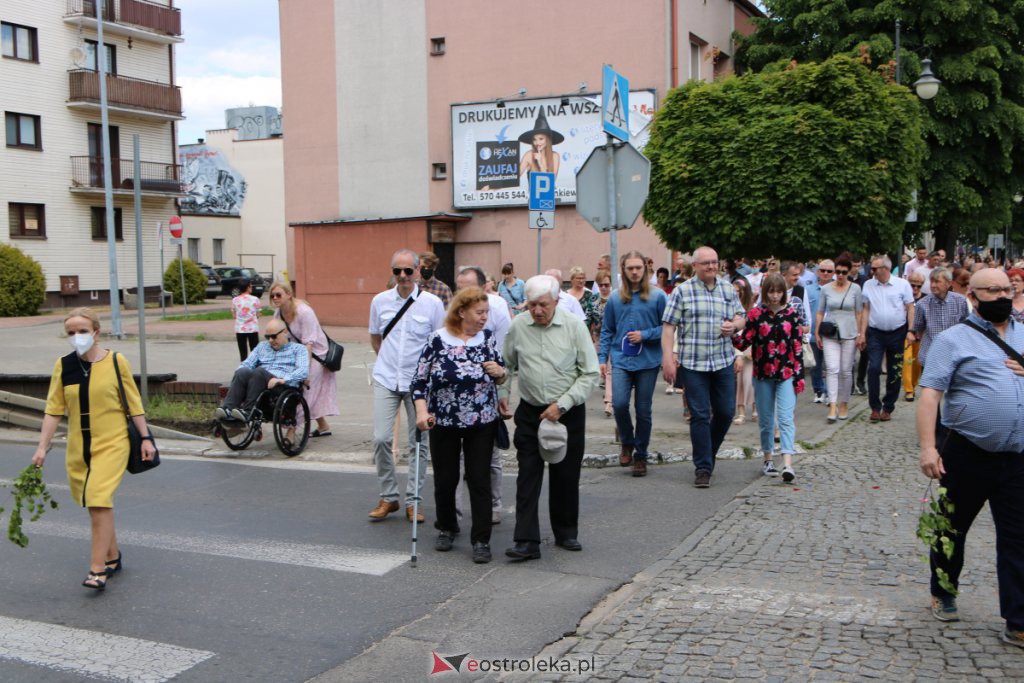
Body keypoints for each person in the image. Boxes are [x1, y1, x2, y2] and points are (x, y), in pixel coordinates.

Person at [917, 268, 1024, 648]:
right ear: (973, 297)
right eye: (993, 290)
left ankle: (1018, 618)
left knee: (1018, 537)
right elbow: (929, 393)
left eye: (1006, 289)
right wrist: (929, 447)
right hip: (967, 451)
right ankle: (943, 590)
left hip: (1017, 455)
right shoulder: (953, 339)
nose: (1002, 296)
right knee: (952, 527)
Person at [34, 308, 157, 590]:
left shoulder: (116, 362)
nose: (77, 337)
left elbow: (134, 404)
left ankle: (97, 569)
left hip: (113, 443)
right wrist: (42, 447)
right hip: (79, 447)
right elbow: (53, 411)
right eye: (71, 332)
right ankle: (112, 556)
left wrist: (146, 438)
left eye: (83, 331)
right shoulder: (64, 366)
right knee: (93, 504)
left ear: (96, 332)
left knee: (99, 498)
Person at [500, 275, 600, 561]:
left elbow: (590, 373)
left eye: (543, 305)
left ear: (556, 301)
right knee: (527, 475)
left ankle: (566, 531)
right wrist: (503, 392)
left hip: (566, 411)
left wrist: (564, 404)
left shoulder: (573, 327)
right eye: (531, 305)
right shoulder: (519, 326)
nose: (537, 311)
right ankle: (526, 540)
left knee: (565, 474)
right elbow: (507, 363)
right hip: (531, 411)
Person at [412, 287, 507, 564]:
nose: (484, 318)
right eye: (479, 313)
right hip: (443, 420)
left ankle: (481, 539)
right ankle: (447, 526)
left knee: (478, 479)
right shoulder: (437, 340)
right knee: (446, 479)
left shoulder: (487, 339)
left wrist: (499, 373)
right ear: (461, 311)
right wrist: (421, 412)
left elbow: (501, 374)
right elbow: (418, 382)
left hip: (481, 420)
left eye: (486, 313)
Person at [368, 249, 446, 522]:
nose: (402, 276)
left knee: (419, 443)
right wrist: (388, 362)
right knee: (380, 439)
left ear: (417, 271)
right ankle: (389, 496)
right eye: (397, 271)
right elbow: (376, 338)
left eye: (407, 271)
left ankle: (414, 500)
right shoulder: (379, 301)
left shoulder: (432, 303)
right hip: (387, 377)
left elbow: (439, 344)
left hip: (419, 383)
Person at [661, 246, 745, 488]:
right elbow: (668, 327)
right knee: (699, 415)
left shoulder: (728, 289)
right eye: (706, 263)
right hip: (693, 363)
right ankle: (703, 468)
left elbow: (742, 316)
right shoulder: (682, 292)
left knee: (726, 412)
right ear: (695, 266)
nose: (711, 266)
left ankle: (707, 452)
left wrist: (735, 326)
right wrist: (668, 359)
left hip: (722, 361)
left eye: (714, 262)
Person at [598, 252, 668, 477]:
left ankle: (641, 455)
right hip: (621, 359)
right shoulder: (615, 299)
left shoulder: (657, 297)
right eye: (631, 268)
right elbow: (607, 330)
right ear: (624, 270)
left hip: (648, 361)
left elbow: (667, 328)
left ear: (645, 269)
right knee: (618, 404)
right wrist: (602, 359)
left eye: (639, 268)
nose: (635, 272)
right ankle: (627, 442)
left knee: (643, 410)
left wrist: (645, 334)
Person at [733, 273, 805, 482]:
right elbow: (743, 342)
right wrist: (729, 333)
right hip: (763, 373)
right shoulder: (756, 315)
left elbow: (797, 348)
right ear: (765, 292)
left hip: (786, 373)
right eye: (771, 292)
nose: (775, 296)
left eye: (778, 291)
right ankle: (767, 458)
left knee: (785, 418)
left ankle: (788, 463)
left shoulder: (791, 314)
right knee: (766, 420)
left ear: (784, 293)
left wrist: (799, 377)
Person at [454, 266, 512, 525]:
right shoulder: (453, 310)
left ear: (484, 286)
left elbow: (504, 352)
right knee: (456, 462)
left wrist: (503, 391)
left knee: (491, 456)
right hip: (455, 399)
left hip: (488, 391)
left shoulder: (497, 309)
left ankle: (494, 504)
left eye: (468, 287)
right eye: (459, 287)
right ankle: (452, 514)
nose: (462, 292)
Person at [271, 282, 338, 437]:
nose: (275, 298)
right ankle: (323, 426)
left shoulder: (304, 312)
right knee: (308, 391)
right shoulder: (278, 313)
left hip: (316, 354)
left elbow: (309, 344)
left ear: (289, 295)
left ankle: (292, 429)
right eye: (272, 296)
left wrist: (305, 372)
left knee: (305, 390)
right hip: (296, 354)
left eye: (278, 295)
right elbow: (277, 336)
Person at [217, 317, 310, 422]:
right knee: (242, 371)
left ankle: (247, 412)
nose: (270, 340)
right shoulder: (262, 346)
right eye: (268, 337)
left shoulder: (298, 349)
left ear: (285, 332)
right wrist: (240, 372)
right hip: (258, 381)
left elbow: (303, 371)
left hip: (282, 385)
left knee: (259, 372)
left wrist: (283, 379)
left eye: (274, 336)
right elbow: (247, 363)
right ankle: (227, 409)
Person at [859, 255, 915, 422]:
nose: (872, 271)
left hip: (897, 332)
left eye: (875, 268)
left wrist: (911, 330)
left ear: (886, 269)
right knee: (874, 368)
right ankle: (875, 407)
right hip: (876, 332)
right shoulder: (868, 284)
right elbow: (866, 309)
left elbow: (910, 308)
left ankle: (888, 406)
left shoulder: (902, 284)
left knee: (894, 371)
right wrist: (862, 333)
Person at [816, 256, 864, 422]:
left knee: (845, 370)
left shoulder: (856, 289)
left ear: (849, 272)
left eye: (844, 272)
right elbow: (820, 311)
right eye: (838, 272)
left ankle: (844, 402)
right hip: (831, 332)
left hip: (849, 332)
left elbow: (859, 312)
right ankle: (833, 404)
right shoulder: (826, 289)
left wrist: (860, 333)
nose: (841, 275)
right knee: (832, 369)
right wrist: (817, 332)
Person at [909, 268, 969, 369]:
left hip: (954, 354)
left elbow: (966, 326)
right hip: (930, 356)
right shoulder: (922, 304)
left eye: (937, 282)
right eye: (932, 281)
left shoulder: (961, 301)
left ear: (949, 283)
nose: (933, 285)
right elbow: (918, 329)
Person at [806, 259, 834, 402]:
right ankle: (818, 391)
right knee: (815, 364)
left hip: (832, 333)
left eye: (829, 271)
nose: (825, 273)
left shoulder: (837, 289)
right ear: (818, 272)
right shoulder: (809, 289)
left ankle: (830, 393)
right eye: (823, 270)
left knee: (831, 364)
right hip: (812, 333)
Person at [732, 277, 756, 424]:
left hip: (751, 348)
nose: (736, 294)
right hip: (737, 348)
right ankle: (740, 411)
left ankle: (755, 408)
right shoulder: (731, 308)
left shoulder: (752, 310)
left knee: (752, 379)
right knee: (740, 380)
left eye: (738, 292)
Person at [902, 271, 927, 401]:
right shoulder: (903, 297)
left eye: (919, 286)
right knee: (907, 361)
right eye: (913, 285)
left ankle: (913, 384)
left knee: (917, 363)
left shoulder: (926, 298)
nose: (915, 288)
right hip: (905, 334)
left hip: (920, 335)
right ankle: (908, 389)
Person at [592, 269, 614, 415]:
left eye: (606, 284)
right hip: (598, 337)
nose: (604, 288)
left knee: (610, 369)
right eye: (601, 285)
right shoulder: (593, 299)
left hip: (614, 338)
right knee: (600, 367)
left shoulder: (615, 298)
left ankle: (609, 402)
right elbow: (589, 318)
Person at [518, 112, 562, 177]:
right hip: (531, 187)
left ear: (548, 140)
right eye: (534, 139)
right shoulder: (529, 155)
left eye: (541, 139)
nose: (537, 143)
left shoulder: (555, 156)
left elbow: (551, 181)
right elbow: (515, 177)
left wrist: (540, 162)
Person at [231, 278, 262, 362]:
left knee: (243, 351)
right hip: (253, 328)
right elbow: (258, 314)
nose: (251, 287)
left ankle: (243, 368)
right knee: (254, 350)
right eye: (250, 286)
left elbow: (234, 315)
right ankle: (254, 367)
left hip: (240, 329)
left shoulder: (235, 300)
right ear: (248, 287)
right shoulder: (255, 299)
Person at [567, 266, 600, 331]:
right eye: (578, 278)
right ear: (572, 279)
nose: (581, 281)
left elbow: (594, 314)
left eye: (583, 278)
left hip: (586, 330)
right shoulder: (566, 295)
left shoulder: (590, 294)